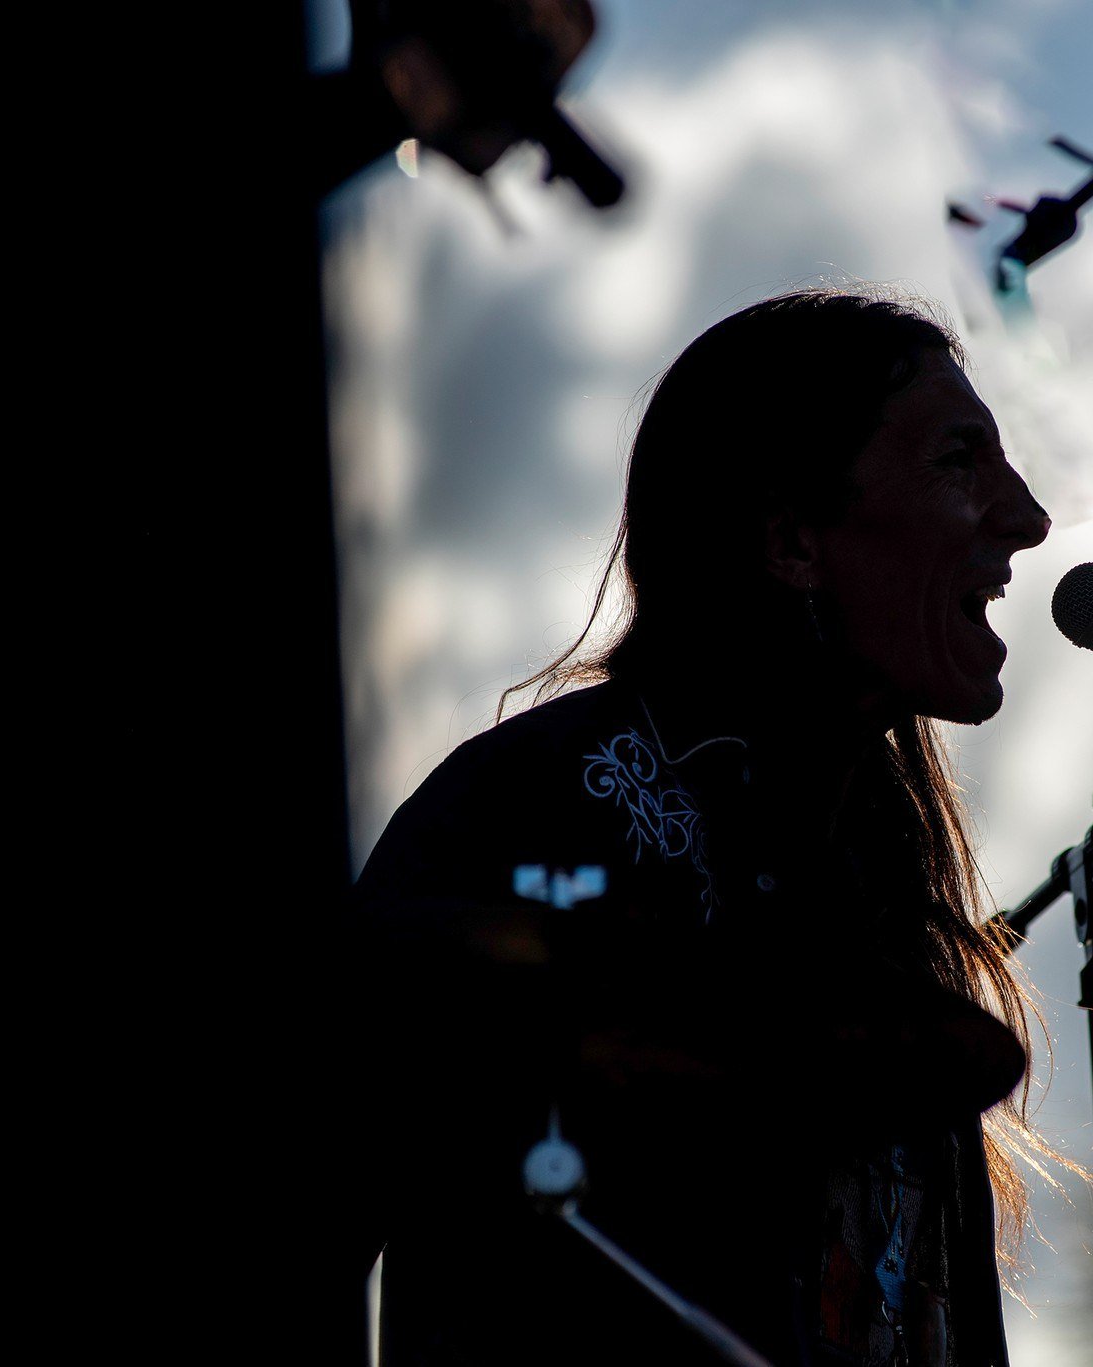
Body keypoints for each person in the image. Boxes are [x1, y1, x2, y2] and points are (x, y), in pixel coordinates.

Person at [354, 288, 1057, 1366]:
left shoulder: (879, 886)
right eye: (959, 459)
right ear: (790, 539)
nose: (1024, 516)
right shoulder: (529, 803)